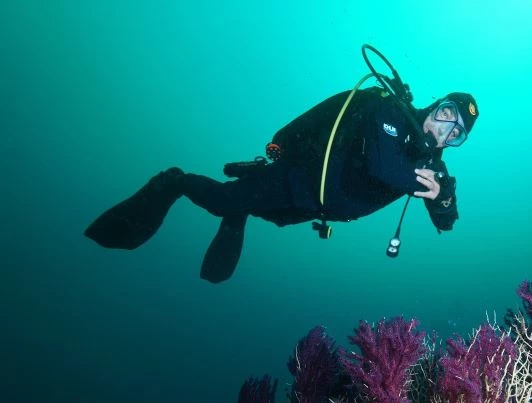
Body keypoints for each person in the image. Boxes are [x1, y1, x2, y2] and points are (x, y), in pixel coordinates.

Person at [84, 87, 479, 283]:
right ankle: (175, 181)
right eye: (446, 114)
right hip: (296, 177)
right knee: (223, 200)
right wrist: (424, 185)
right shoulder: (389, 109)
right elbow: (381, 167)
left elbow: (447, 222)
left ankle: (240, 210)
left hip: (312, 207)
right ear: (434, 105)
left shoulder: (432, 169)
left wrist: (443, 197)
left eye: (456, 133)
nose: (445, 130)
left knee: (263, 215)